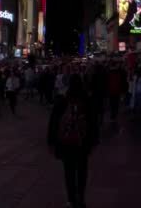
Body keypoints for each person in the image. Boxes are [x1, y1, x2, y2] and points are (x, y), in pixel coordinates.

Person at [47, 74, 98, 208]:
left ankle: (70, 199)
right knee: (82, 170)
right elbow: (93, 122)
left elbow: (54, 121)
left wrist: (51, 141)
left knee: (68, 171)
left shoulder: (63, 100)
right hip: (82, 142)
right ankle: (81, 197)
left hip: (66, 142)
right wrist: (93, 141)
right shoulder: (87, 100)